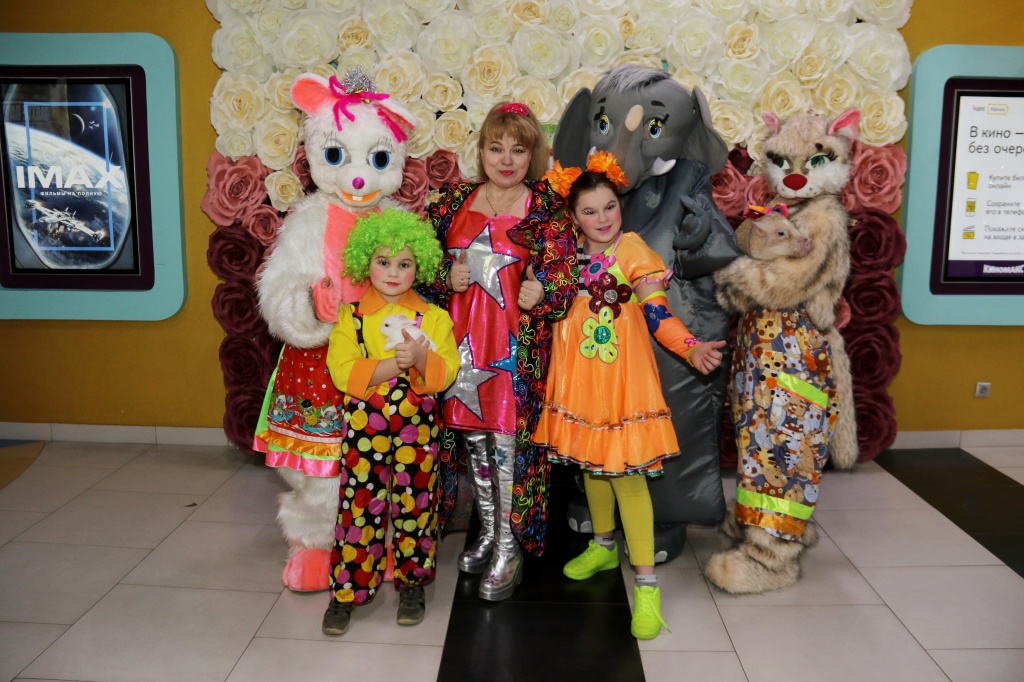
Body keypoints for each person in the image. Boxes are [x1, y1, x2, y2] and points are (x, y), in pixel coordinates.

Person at [533, 154, 726, 639]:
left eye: (610, 207)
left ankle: (646, 586)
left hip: (622, 385)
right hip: (578, 385)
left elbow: (657, 313)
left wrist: (691, 346)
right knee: (592, 469)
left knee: (628, 480)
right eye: (590, 211)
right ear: (573, 217)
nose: (603, 218)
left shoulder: (633, 249)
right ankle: (602, 546)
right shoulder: (563, 255)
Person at [421, 102, 577, 601]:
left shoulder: (546, 210)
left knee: (509, 448)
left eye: (518, 150)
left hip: (514, 352)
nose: (506, 160)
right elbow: (414, 263)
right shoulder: (452, 203)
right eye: (496, 148)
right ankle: (488, 531)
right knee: (474, 444)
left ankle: (510, 545)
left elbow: (565, 277)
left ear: (532, 156)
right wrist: (442, 276)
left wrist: (543, 291)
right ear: (482, 151)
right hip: (461, 348)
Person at [321, 208, 461, 636]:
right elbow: (341, 370)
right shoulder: (351, 317)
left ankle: (412, 584)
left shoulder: (434, 318)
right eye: (384, 262)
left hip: (418, 433)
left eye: (405, 264)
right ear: (366, 263)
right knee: (358, 508)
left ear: (420, 266)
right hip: (364, 433)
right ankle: (347, 591)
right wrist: (392, 366)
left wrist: (421, 358)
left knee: (416, 507)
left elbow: (446, 371)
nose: (394, 273)